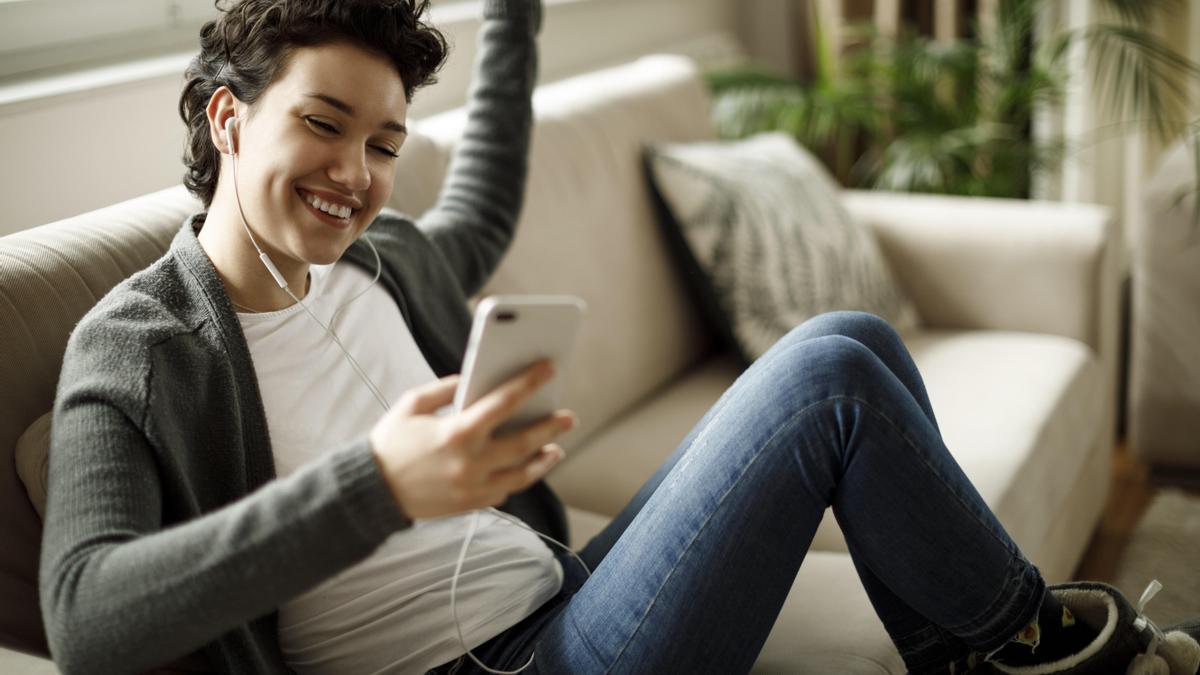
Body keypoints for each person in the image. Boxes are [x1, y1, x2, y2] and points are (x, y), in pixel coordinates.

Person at [37, 0, 1200, 673]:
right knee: (835, 374)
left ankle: (995, 653)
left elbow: (486, 184)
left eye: (385, 144)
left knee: (862, 346)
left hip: (561, 589)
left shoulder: (376, 267)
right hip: (500, 668)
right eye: (324, 126)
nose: (356, 175)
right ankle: (1052, 650)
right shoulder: (137, 345)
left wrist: (519, 12)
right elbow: (89, 618)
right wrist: (381, 485)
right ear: (230, 118)